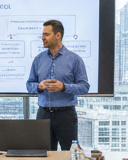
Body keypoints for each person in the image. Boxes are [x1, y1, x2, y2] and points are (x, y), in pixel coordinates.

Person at [26, 19, 90, 152]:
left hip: (66, 116)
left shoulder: (74, 59)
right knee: (44, 156)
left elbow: (84, 87)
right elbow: (29, 85)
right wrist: (39, 86)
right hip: (43, 115)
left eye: (46, 34)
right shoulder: (38, 59)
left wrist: (64, 87)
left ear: (58, 35)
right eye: (42, 35)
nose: (43, 38)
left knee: (69, 155)